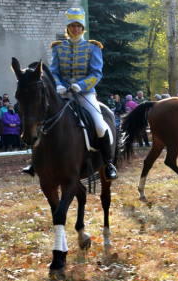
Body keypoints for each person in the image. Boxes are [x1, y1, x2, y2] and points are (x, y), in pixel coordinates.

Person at [49, 8, 117, 179]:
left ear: (83, 28)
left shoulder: (92, 47)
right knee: (44, 120)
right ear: (68, 27)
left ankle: (108, 163)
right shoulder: (58, 48)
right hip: (63, 94)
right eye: (72, 25)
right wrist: (57, 85)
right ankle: (37, 161)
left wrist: (81, 85)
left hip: (85, 94)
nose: (76, 29)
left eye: (78, 26)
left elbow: (96, 73)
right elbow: (54, 72)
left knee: (101, 125)